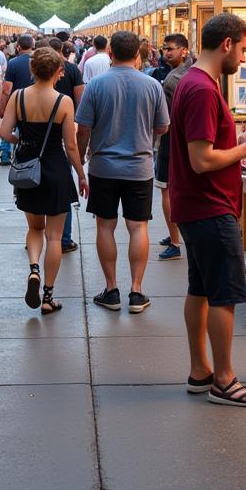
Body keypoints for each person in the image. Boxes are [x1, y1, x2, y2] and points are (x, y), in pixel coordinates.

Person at [169, 13, 246, 406]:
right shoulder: (204, 89)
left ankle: (200, 369)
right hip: (210, 206)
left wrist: (234, 138)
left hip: (195, 205)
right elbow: (202, 159)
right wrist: (244, 148)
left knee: (201, 289)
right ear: (227, 44)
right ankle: (223, 379)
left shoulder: (194, 83)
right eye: (242, 49)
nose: (243, 58)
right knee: (222, 294)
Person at [76, 29, 169, 313]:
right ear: (138, 57)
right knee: (138, 227)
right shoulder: (152, 86)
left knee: (105, 226)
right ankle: (137, 292)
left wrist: (81, 162)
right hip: (139, 167)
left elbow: (83, 129)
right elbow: (163, 127)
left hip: (104, 166)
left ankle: (111, 288)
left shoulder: (96, 85)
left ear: (110, 54)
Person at [0, 46, 88, 314]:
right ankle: (48, 296)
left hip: (29, 169)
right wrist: (81, 174)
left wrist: (22, 141)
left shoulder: (18, 96)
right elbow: (70, 146)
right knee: (55, 236)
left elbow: (4, 132)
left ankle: (34, 269)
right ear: (59, 72)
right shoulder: (64, 102)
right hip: (55, 168)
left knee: (35, 229)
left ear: (31, 69)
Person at [154, 33, 192, 261]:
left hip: (171, 138)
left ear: (184, 51)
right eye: (165, 49)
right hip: (180, 137)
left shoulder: (174, 79)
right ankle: (174, 234)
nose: (167, 53)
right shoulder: (187, 70)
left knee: (166, 188)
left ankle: (175, 241)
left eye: (171, 49)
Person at [49, 36, 84, 253]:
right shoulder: (72, 70)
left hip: (33, 141)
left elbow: (7, 131)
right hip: (65, 128)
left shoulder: (25, 91)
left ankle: (35, 235)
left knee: (35, 190)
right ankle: (64, 238)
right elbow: (81, 99)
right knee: (64, 189)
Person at [0, 33, 35, 165]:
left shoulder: (13, 63)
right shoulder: (37, 61)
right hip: (33, 101)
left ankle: (5, 155)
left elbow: (6, 89)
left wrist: (2, 107)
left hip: (15, 101)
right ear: (33, 45)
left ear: (18, 46)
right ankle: (23, 151)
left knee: (8, 127)